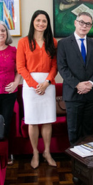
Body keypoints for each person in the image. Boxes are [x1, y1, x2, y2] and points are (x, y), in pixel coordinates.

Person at [17, 10, 58, 168]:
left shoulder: (53, 42)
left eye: (44, 21)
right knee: (32, 121)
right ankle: (35, 152)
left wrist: (46, 82)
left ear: (47, 24)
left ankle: (47, 152)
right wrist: (35, 85)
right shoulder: (23, 42)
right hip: (30, 86)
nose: (41, 23)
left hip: (48, 84)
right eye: (38, 20)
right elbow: (20, 67)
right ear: (33, 22)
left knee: (47, 121)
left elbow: (55, 65)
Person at [57, 12, 93, 146]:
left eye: (88, 24)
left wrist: (91, 83)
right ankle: (75, 164)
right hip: (72, 94)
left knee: (88, 131)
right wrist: (78, 85)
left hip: (90, 94)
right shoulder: (63, 43)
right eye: (82, 22)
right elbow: (62, 68)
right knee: (73, 130)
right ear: (75, 23)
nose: (84, 26)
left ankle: (87, 163)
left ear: (91, 26)